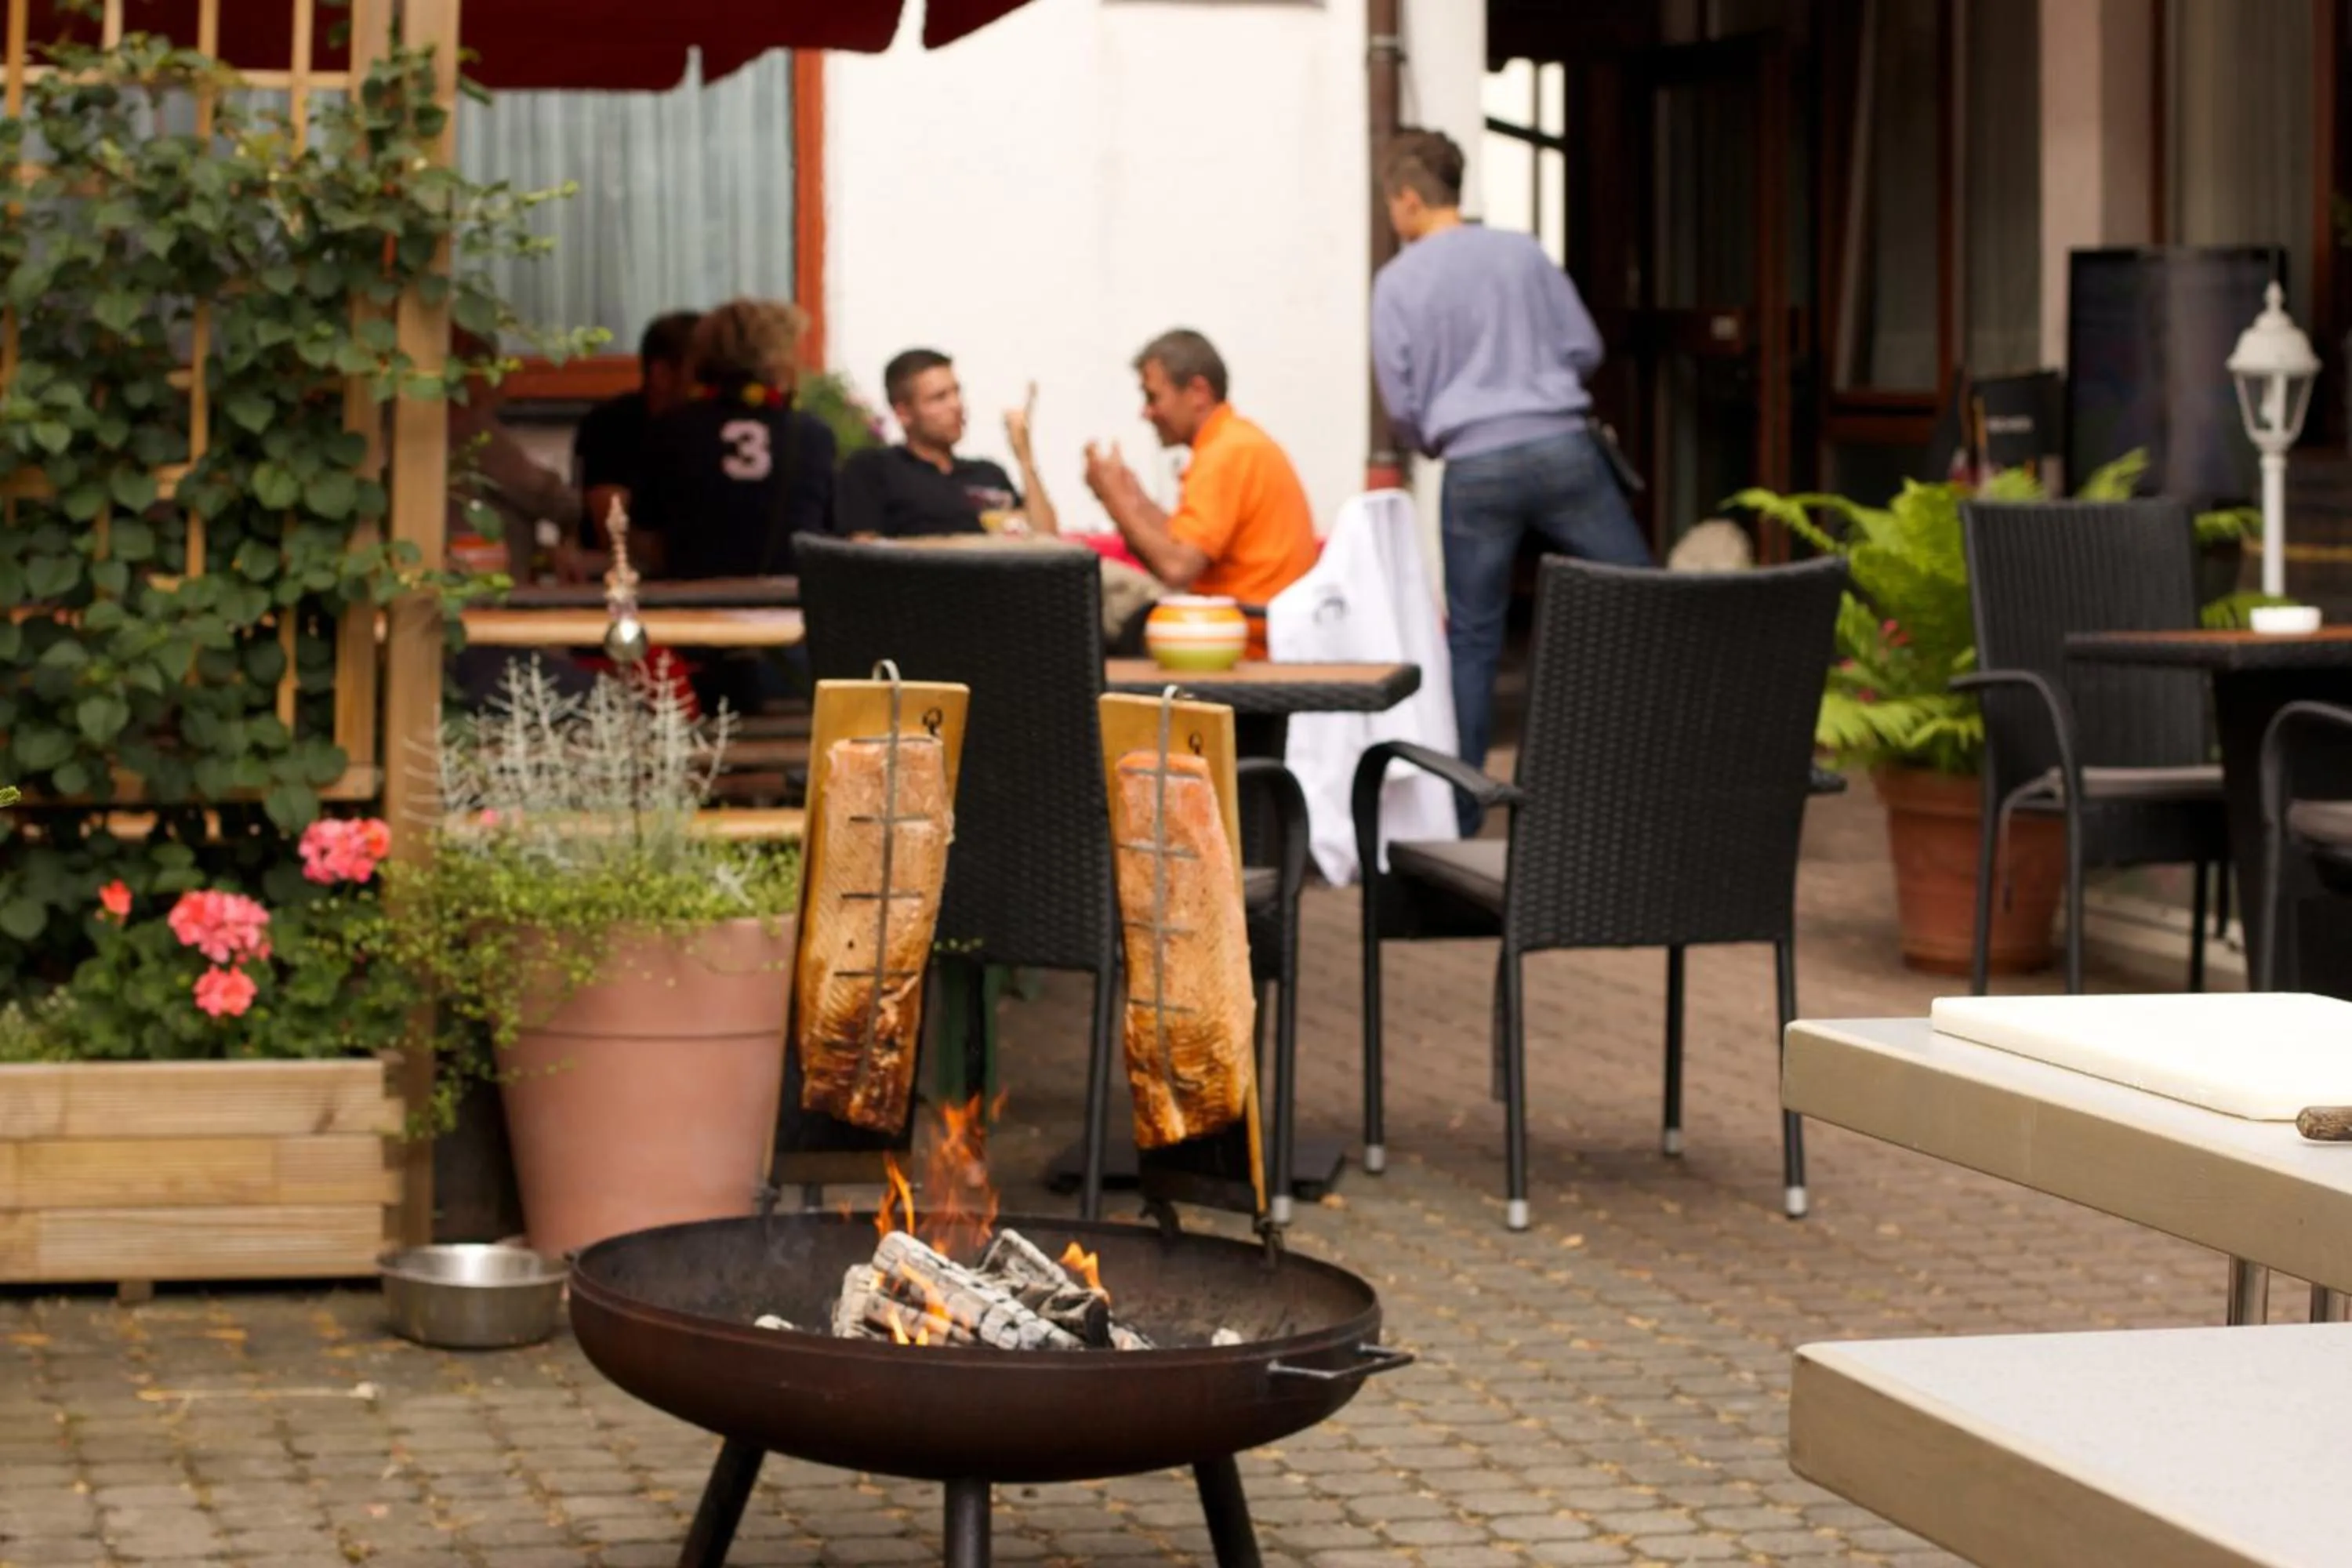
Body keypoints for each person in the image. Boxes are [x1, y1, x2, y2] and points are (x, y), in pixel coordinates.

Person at [1372, 126, 1653, 800]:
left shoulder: (1398, 282)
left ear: (1408, 198)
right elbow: (1584, 347)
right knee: (1647, 602)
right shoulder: (1521, 252)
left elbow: (1401, 404)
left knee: (1474, 639)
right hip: (1561, 449)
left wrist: (1435, 437)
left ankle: (1466, 808)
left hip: (1473, 464)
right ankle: (1659, 778)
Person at [1083, 328, 1318, 655]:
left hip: (1242, 640)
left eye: (1153, 398)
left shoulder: (1224, 454)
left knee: (1095, 604)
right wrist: (1133, 499)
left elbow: (1176, 568)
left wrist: (1113, 502)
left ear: (1198, 392)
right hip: (1253, 628)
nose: (1146, 413)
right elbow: (1183, 542)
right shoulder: (1236, 440)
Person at [634, 298, 837, 581]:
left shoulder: (671, 428)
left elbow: (644, 534)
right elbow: (828, 527)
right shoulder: (813, 433)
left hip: (692, 597)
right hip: (788, 595)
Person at [836, 348, 1058, 539]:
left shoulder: (988, 473)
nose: (956, 405)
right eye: (939, 397)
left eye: (956, 392)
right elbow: (863, 554)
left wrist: (1025, 457)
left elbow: (1047, 543)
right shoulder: (874, 469)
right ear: (903, 413)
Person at [572, 310, 699, 554]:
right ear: (662, 375)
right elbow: (613, 531)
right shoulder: (611, 425)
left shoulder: (708, 428)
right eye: (701, 374)